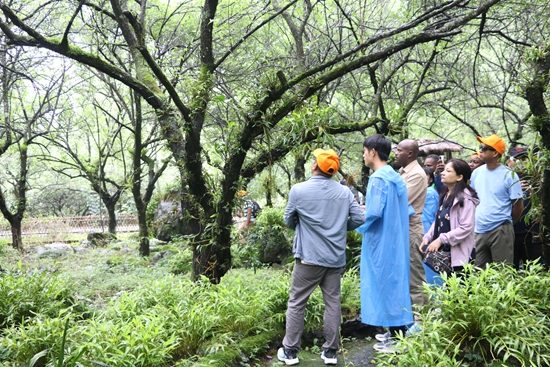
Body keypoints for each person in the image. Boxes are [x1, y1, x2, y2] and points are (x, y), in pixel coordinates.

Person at [278, 148, 365, 366]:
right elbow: (359, 218)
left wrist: (302, 225)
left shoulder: (298, 190)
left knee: (297, 302)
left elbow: (288, 220)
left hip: (308, 257)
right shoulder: (344, 192)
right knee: (333, 303)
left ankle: (290, 352)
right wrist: (340, 227)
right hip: (334, 258)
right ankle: (331, 353)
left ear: (315, 166)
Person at [356, 134, 412, 353]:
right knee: (395, 283)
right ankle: (395, 333)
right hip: (395, 238)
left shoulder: (379, 178)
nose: (363, 155)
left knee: (385, 285)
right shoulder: (394, 176)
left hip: (381, 240)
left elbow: (374, 213)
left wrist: (354, 222)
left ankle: (398, 339)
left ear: (372, 151)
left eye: (363, 151)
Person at [471, 135, 524, 268]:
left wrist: (506, 224)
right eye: (480, 147)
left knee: (503, 271)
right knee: (480, 273)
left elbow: (518, 206)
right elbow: (472, 199)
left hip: (500, 228)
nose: (480, 150)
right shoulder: (476, 173)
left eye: (484, 148)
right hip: (479, 229)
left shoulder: (509, 175)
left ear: (495, 153)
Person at [421, 159, 479, 274]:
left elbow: (466, 227)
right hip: (447, 254)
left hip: (460, 257)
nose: (442, 173)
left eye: (448, 171)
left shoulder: (465, 198)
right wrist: (428, 237)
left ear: (459, 177)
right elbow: (439, 219)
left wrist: (441, 239)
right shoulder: (447, 194)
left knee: (461, 289)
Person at [396, 139, 427, 312]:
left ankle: (422, 321)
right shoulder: (403, 172)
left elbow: (400, 200)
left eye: (399, 150)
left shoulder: (416, 174)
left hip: (412, 230)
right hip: (403, 230)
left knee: (415, 276)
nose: (396, 153)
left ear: (409, 153)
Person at [507, 147, 544, 270]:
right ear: (509, 162)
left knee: (535, 270)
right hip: (509, 233)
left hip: (532, 234)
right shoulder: (504, 179)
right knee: (509, 270)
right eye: (516, 160)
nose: (520, 163)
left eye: (524, 159)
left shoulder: (538, 180)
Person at [421, 167, 439, 234]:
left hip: (427, 225)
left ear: (431, 180)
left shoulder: (429, 192)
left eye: (424, 175)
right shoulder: (430, 191)